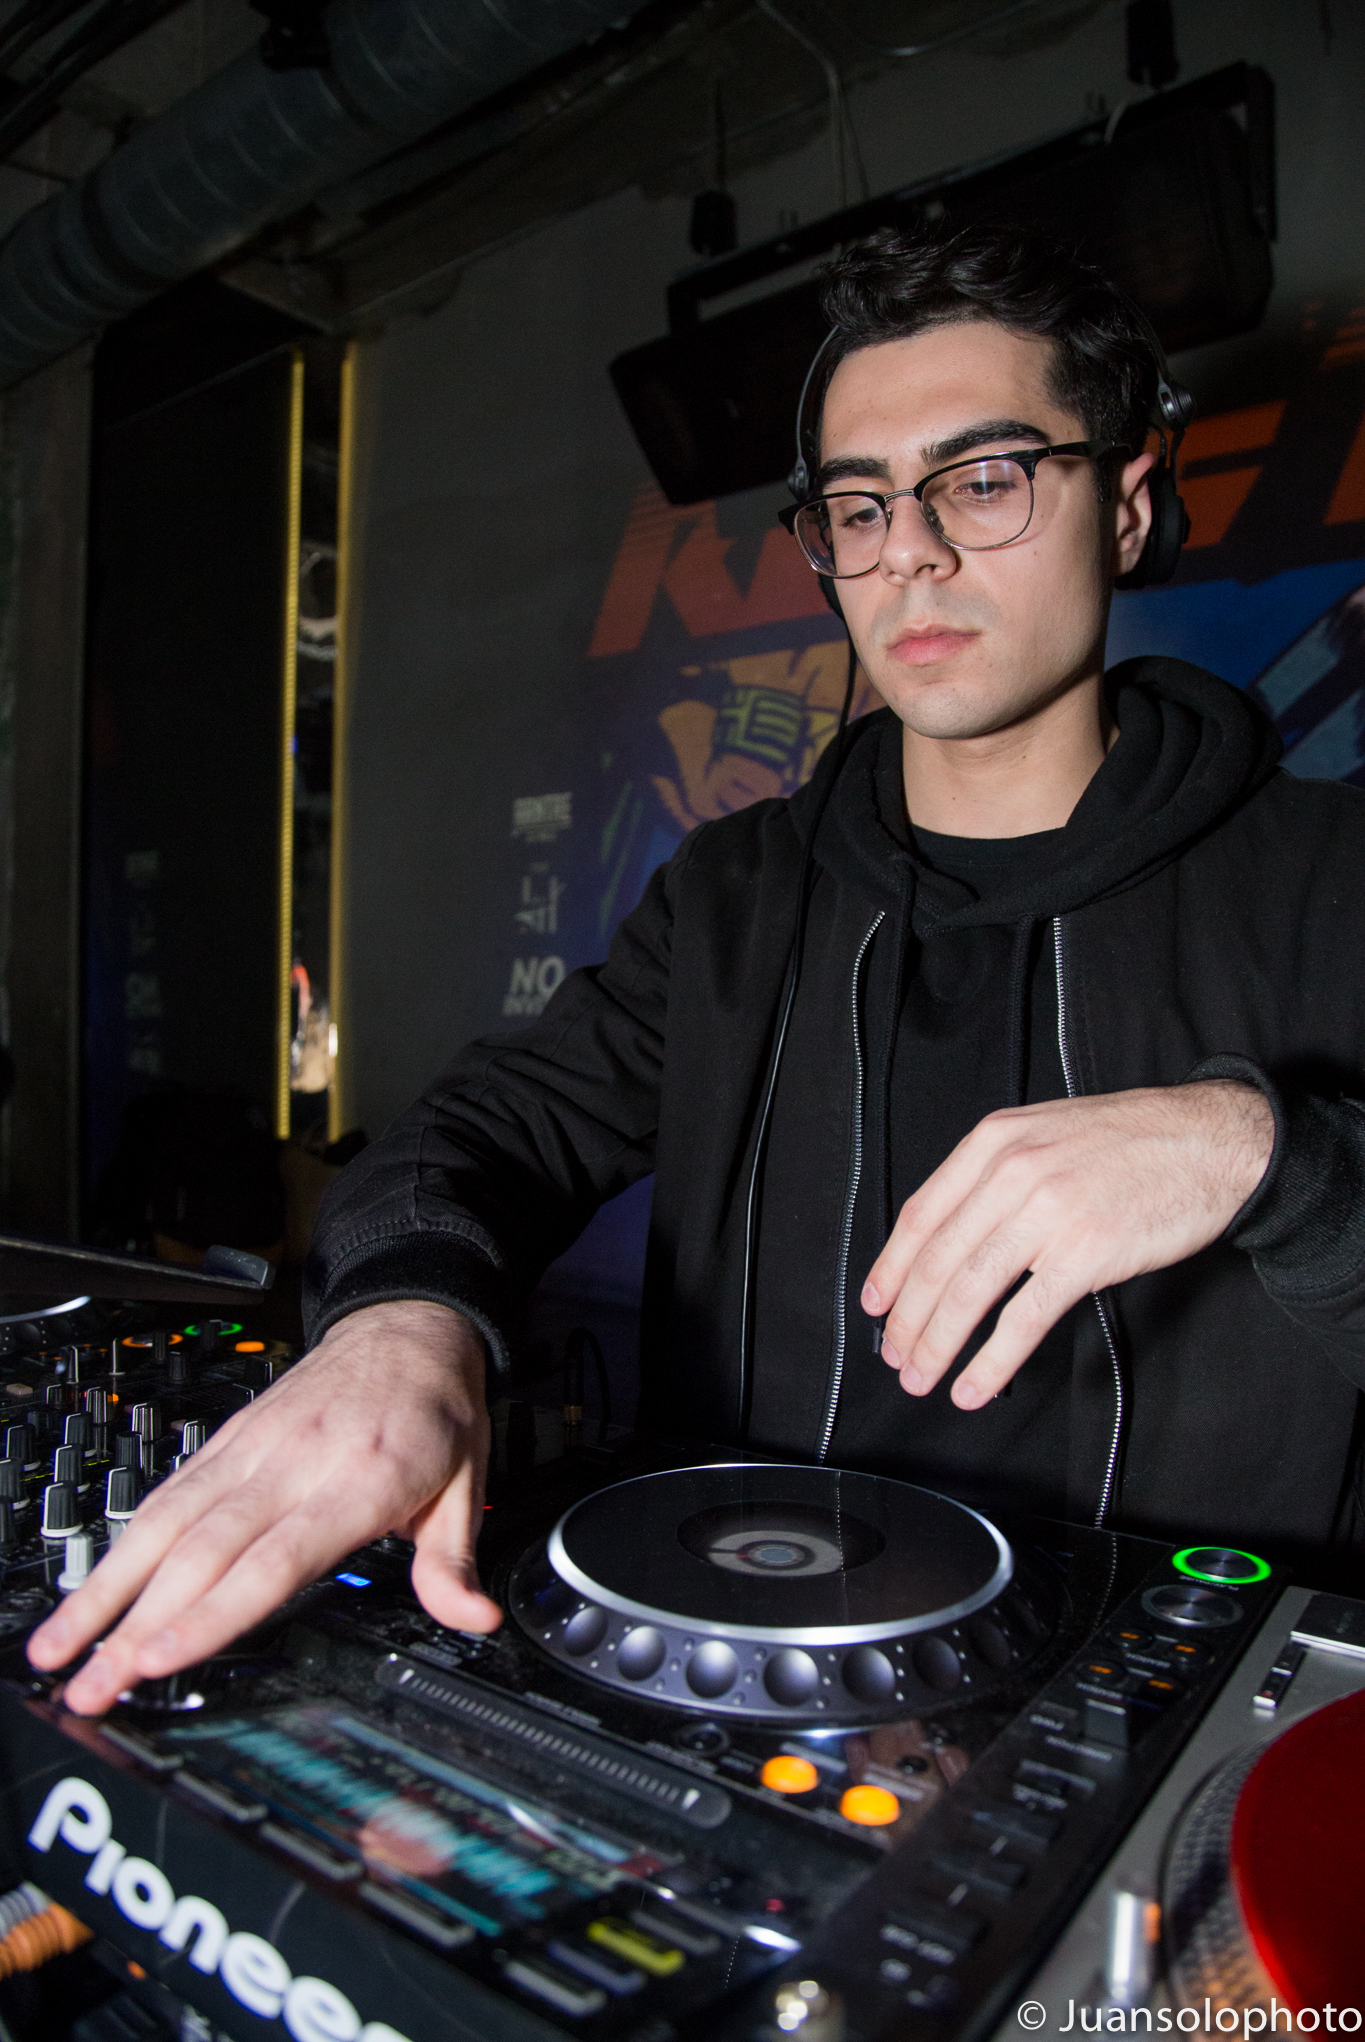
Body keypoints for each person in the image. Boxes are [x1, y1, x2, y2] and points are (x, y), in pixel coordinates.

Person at [34, 225, 1365, 1720]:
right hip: (747, 1687)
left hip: (1171, 1729)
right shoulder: (736, 894)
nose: (908, 552)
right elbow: (483, 1134)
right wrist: (401, 1325)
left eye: (982, 481)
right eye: (856, 506)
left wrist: (1271, 1161)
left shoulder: (1332, 882)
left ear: (1125, 508)